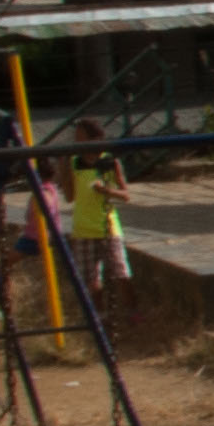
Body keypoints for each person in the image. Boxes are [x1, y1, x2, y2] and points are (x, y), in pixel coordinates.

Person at [65, 123, 134, 302]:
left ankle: (133, 312)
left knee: (121, 273)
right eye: (76, 139)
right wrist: (63, 170)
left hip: (108, 226)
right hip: (83, 229)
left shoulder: (110, 162)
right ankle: (99, 314)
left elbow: (125, 195)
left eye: (80, 139)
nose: (77, 143)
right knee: (91, 280)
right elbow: (69, 197)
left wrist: (107, 191)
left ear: (93, 139)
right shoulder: (75, 163)